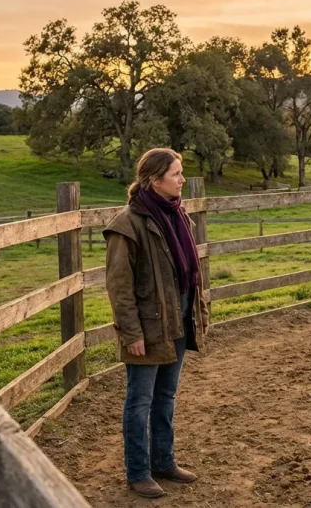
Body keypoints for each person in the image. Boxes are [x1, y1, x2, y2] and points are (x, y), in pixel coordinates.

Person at [102, 148, 211, 499]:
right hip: (147, 329)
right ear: (154, 179)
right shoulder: (127, 225)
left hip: (178, 321)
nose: (182, 179)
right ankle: (138, 472)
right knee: (139, 401)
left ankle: (164, 461)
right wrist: (131, 333)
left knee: (166, 395)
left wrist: (198, 313)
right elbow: (119, 287)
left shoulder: (179, 216)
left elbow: (188, 274)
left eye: (181, 172)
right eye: (176, 173)